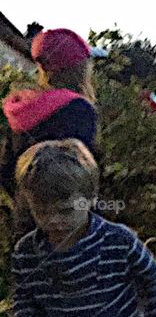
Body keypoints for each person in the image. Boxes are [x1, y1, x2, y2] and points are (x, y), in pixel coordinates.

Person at [9, 139, 156, 317]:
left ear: (90, 198)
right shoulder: (26, 253)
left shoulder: (117, 240)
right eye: (42, 212)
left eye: (65, 211)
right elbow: (25, 299)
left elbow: (154, 279)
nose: (54, 220)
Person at [1, 28, 99, 240]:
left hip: (28, 222)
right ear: (78, 68)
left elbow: (6, 170)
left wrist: (27, 203)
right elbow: (86, 170)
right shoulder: (78, 109)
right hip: (71, 222)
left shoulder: (23, 109)